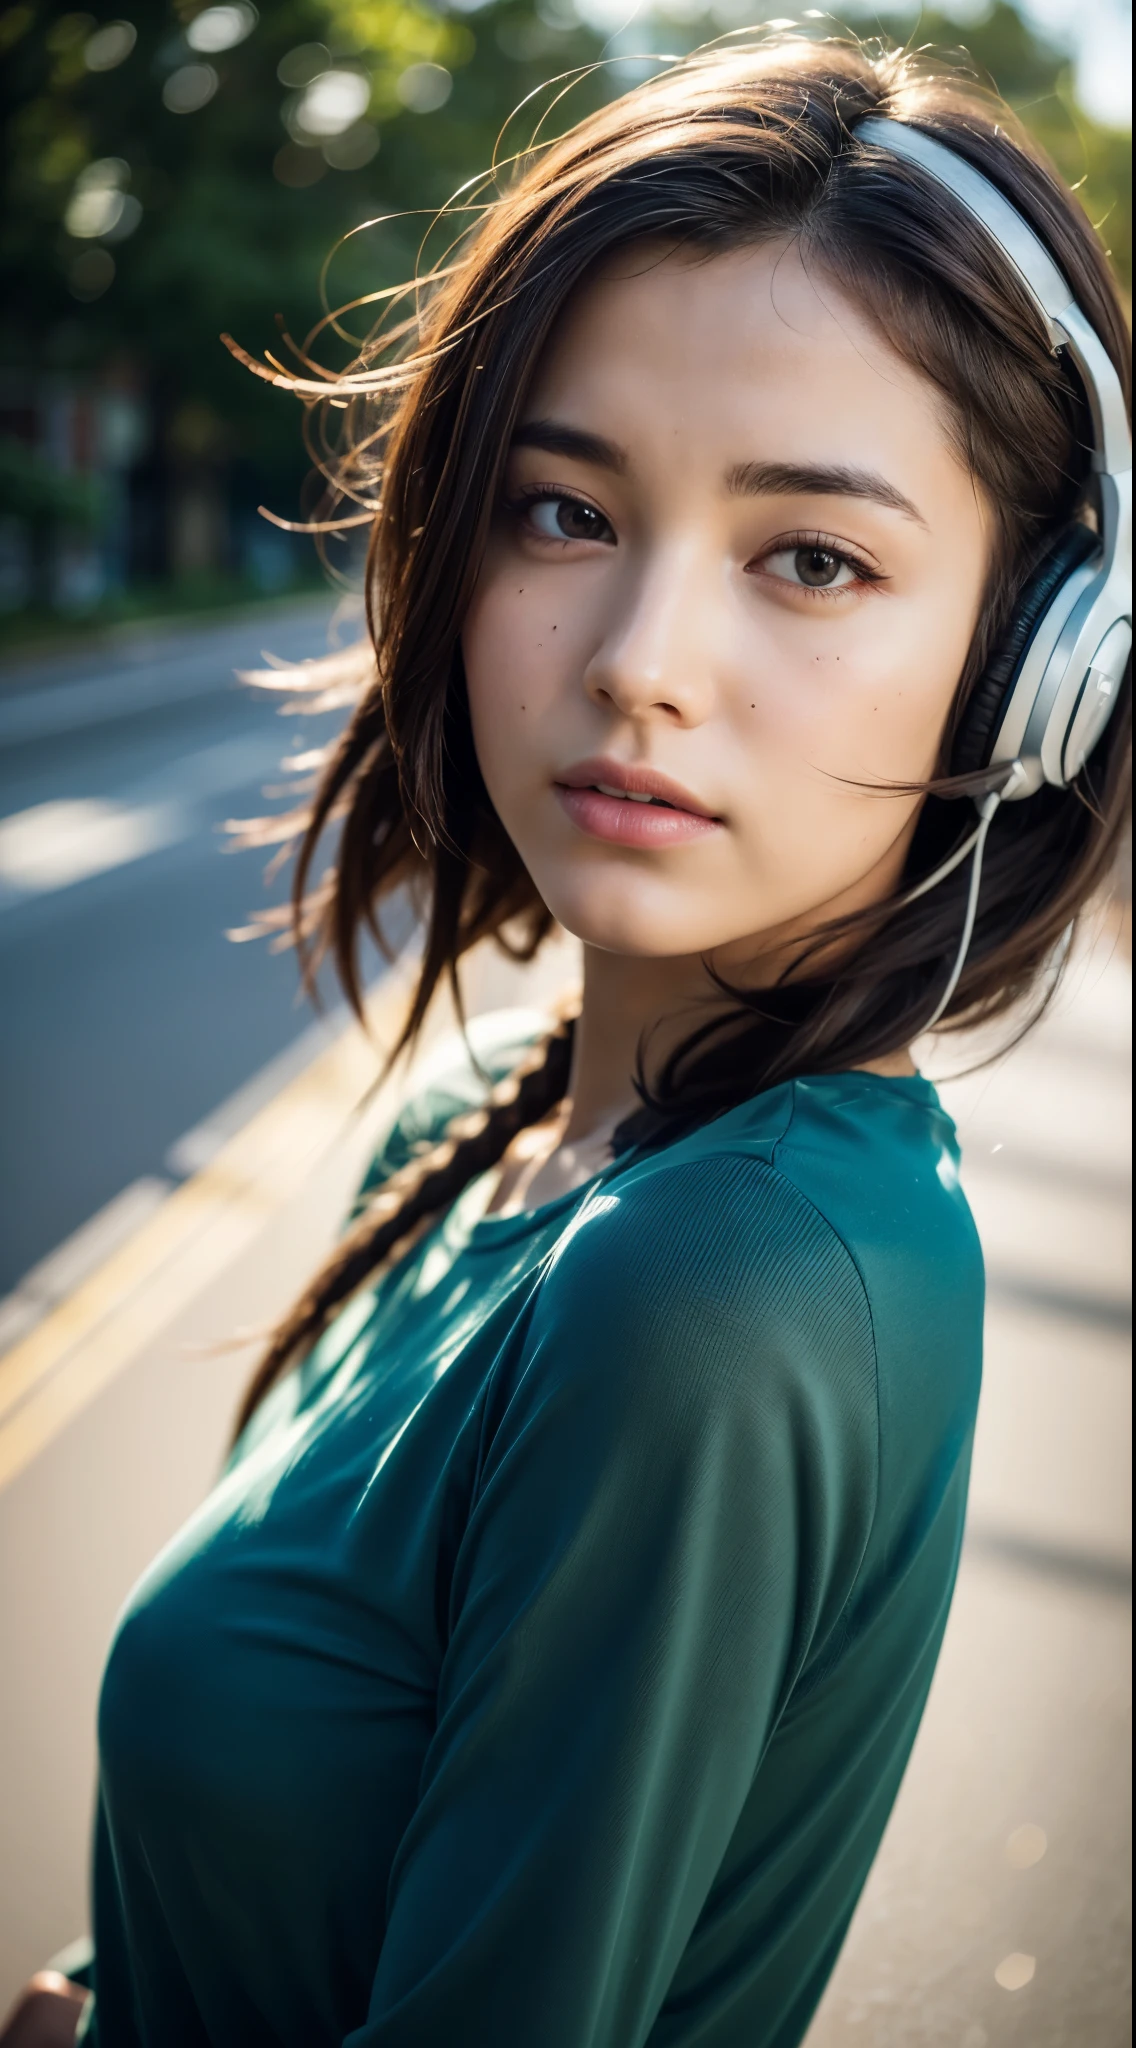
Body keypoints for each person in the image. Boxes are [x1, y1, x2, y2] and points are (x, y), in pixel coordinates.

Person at [6, 30, 1129, 2048]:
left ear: (1028, 668)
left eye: (812, 558)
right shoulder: (491, 1122)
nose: (638, 666)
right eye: (561, 510)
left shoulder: (714, 1283)